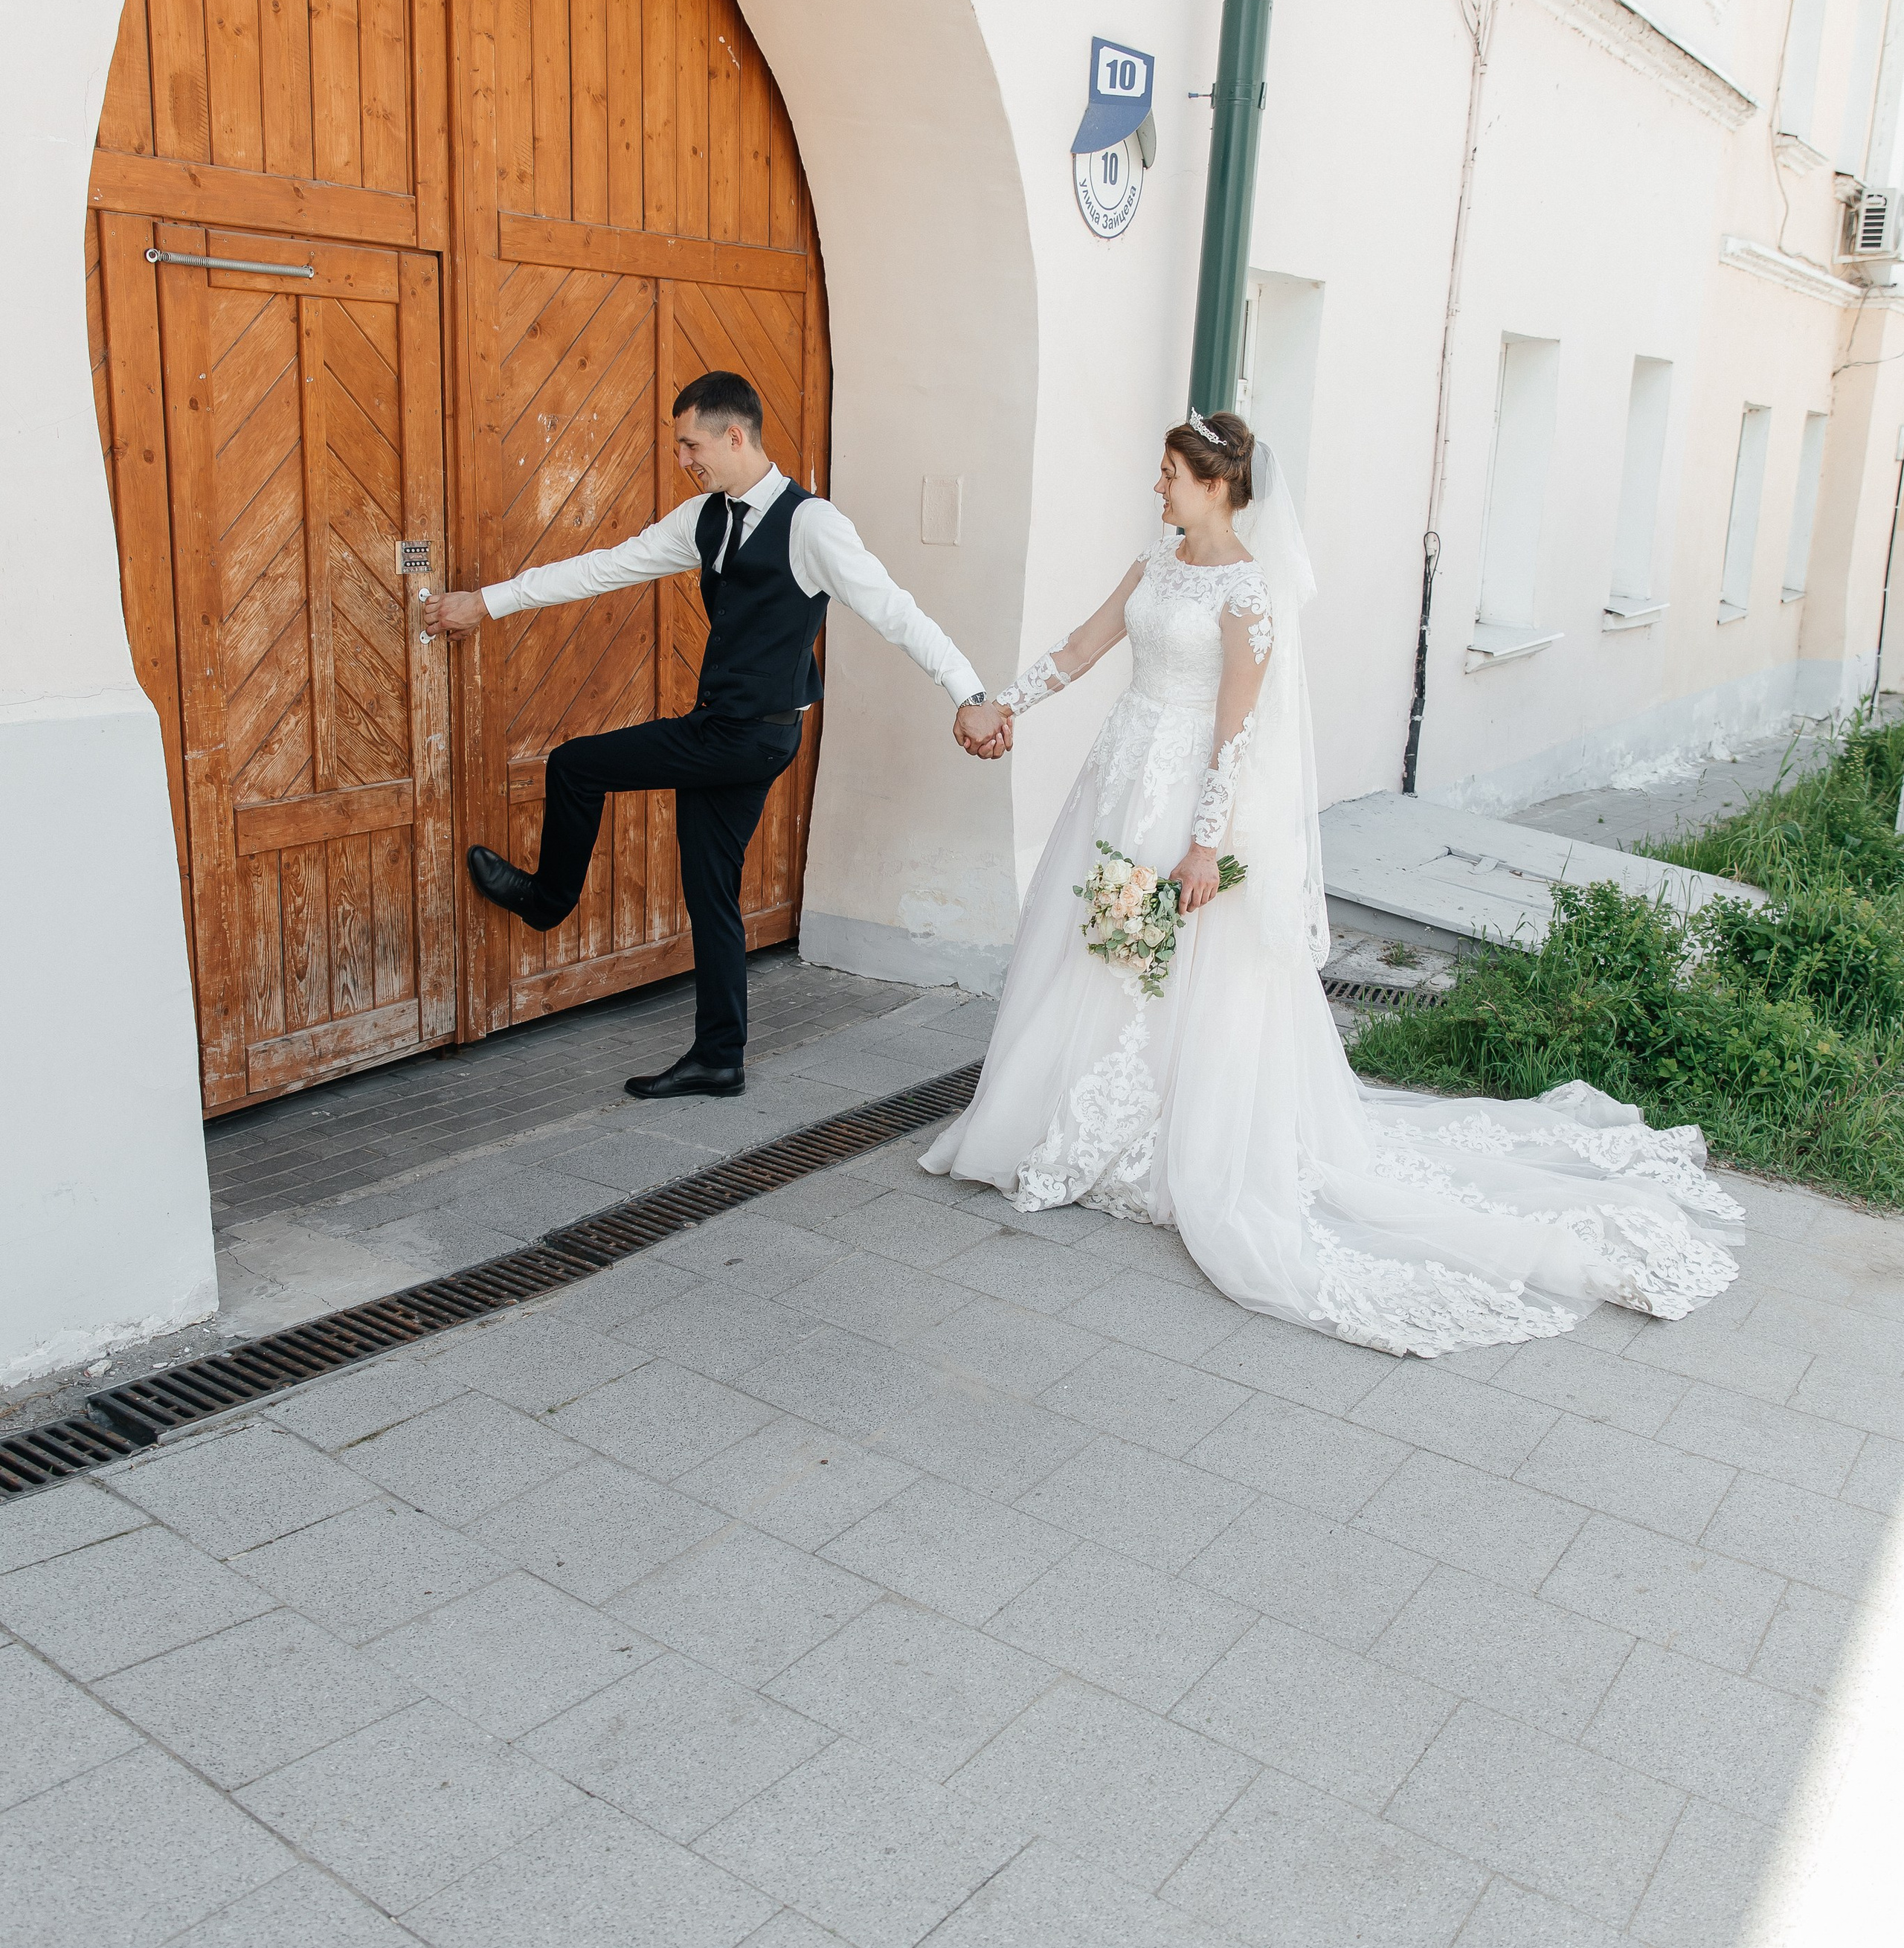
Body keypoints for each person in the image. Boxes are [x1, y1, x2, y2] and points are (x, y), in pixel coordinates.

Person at [924, 411, 1741, 1354]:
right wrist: (999, 703)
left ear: (1217, 484)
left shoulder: (1248, 595)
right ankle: (1060, 1116)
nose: (1157, 488)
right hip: (1119, 779)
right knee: (1095, 947)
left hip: (1186, 791)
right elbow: (1080, 645)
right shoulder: (1157, 561)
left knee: (1178, 959)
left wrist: (1203, 844)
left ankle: (1162, 1131)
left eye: (1169, 475)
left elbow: (1236, 728)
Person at [423, 369, 1009, 1099]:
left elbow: (897, 611)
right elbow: (606, 568)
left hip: (748, 734)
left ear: (735, 436)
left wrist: (971, 694)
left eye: (690, 444)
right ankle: (719, 1057)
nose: (684, 458)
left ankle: (546, 902)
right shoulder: (704, 518)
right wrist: (488, 602)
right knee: (712, 893)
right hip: (729, 732)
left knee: (576, 765)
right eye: (678, 447)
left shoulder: (812, 525)